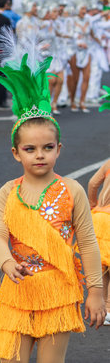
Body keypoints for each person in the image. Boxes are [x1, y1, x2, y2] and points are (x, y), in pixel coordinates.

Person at [0, 38, 106, 363]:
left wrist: (97, 293)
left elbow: (88, 244)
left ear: (59, 149)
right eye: (30, 149)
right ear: (16, 153)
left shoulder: (72, 190)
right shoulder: (8, 190)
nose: (40, 155)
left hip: (58, 292)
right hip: (17, 291)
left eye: (47, 147)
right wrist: (6, 263)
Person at [87, 119, 110, 326]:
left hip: (100, 218)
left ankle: (102, 307)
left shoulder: (108, 163)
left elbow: (93, 183)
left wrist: (94, 204)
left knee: (102, 265)